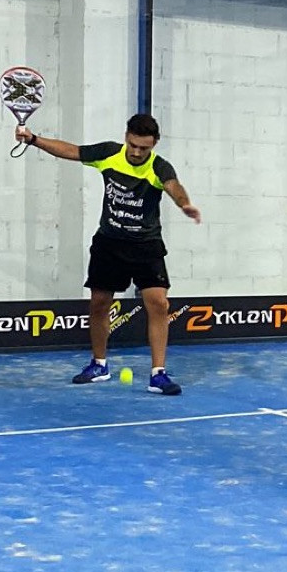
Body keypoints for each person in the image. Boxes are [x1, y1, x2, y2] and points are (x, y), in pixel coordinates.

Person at [15, 111, 200, 394]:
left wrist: (184, 204)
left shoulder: (159, 167)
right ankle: (99, 365)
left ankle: (158, 374)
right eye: (133, 145)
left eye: (143, 148)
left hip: (145, 245)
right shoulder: (109, 154)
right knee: (99, 303)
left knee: (158, 304)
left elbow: (173, 187)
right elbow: (72, 151)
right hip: (109, 243)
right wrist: (33, 139)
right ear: (126, 137)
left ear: (154, 144)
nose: (136, 152)